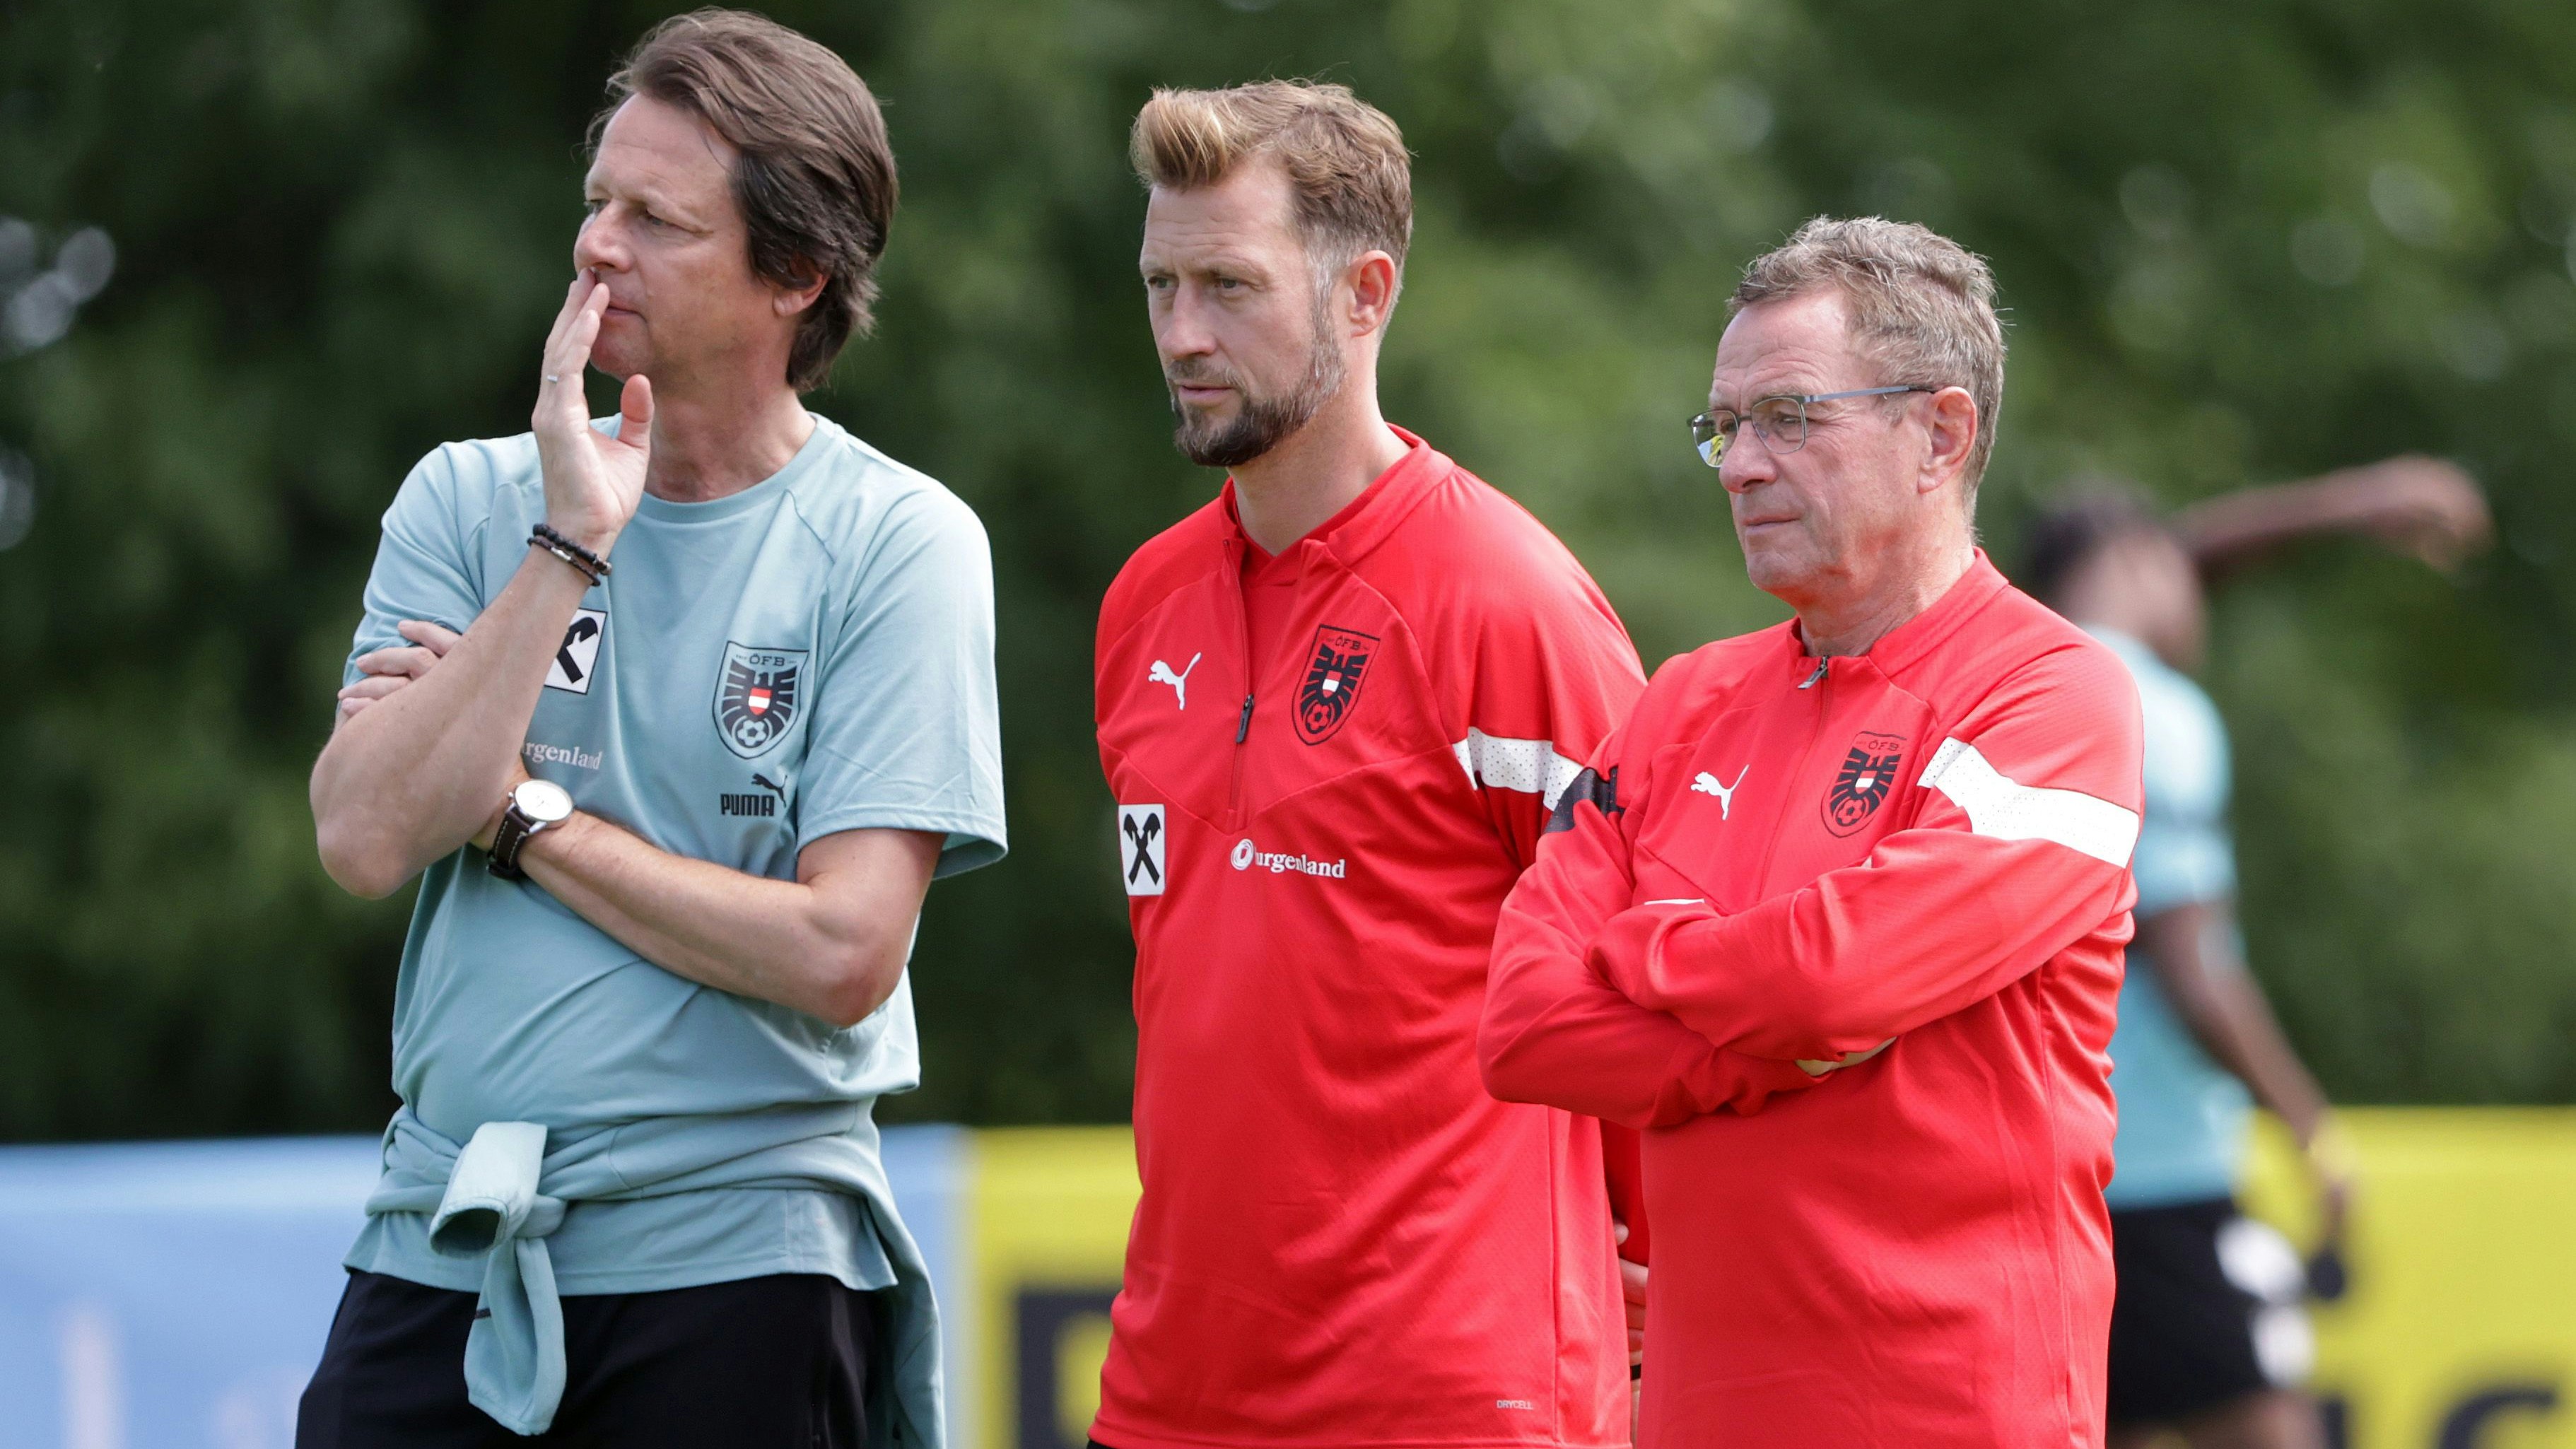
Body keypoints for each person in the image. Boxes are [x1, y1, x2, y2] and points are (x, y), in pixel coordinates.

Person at [298, 12, 1005, 1445]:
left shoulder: (898, 540)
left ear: (794, 275)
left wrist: (514, 814)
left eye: (654, 220)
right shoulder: (466, 497)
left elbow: (842, 951)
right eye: (595, 203)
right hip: (440, 1233)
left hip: (741, 1257)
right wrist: (569, 538)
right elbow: (366, 834)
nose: (595, 247)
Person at [1482, 216, 2146, 1445]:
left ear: (1938, 435)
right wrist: (1767, 1047)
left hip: (1959, 1412)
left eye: (1790, 417)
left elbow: (1840, 974)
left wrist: (1647, 954)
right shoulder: (1681, 699)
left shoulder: (2059, 694)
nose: (1740, 463)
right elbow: (1523, 1024)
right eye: (1725, 426)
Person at [1089, 81, 1653, 1449]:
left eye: (1229, 285)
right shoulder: (1143, 604)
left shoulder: (1509, 603)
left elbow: (1651, 999)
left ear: (1365, 293)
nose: (1181, 334)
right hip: (1167, 1393)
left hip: (1452, 1397)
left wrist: (1655, 1317)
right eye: (1162, 283)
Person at [2024, 457, 2488, 1449]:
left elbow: (2170, 558)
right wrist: (2307, 1125)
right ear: (2139, 563)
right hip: (2156, 1174)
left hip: (2040, 1165)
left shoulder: (2018, 692)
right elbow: (2188, 956)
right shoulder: (2154, 710)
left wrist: (2351, 506)